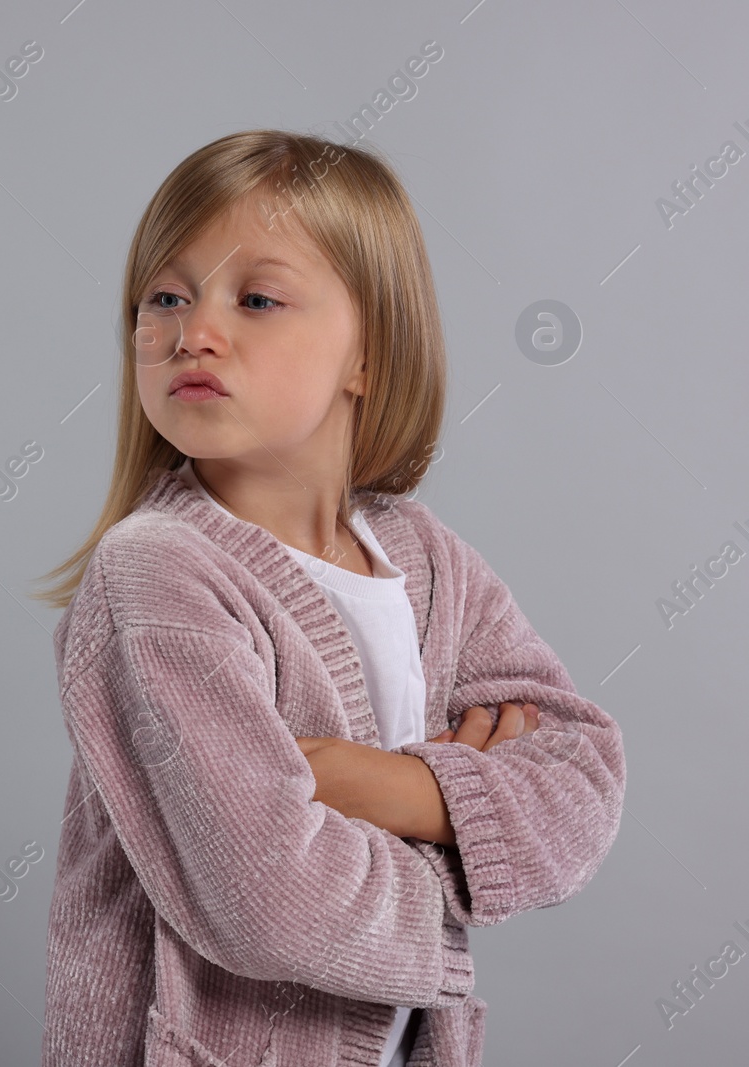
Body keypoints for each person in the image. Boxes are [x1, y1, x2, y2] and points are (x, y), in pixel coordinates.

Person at [32, 130, 626, 1067]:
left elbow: (583, 777)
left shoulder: (427, 560)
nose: (193, 330)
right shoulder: (157, 574)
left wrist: (396, 786)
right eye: (164, 297)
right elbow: (270, 897)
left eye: (256, 298)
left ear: (368, 354)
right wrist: (469, 867)